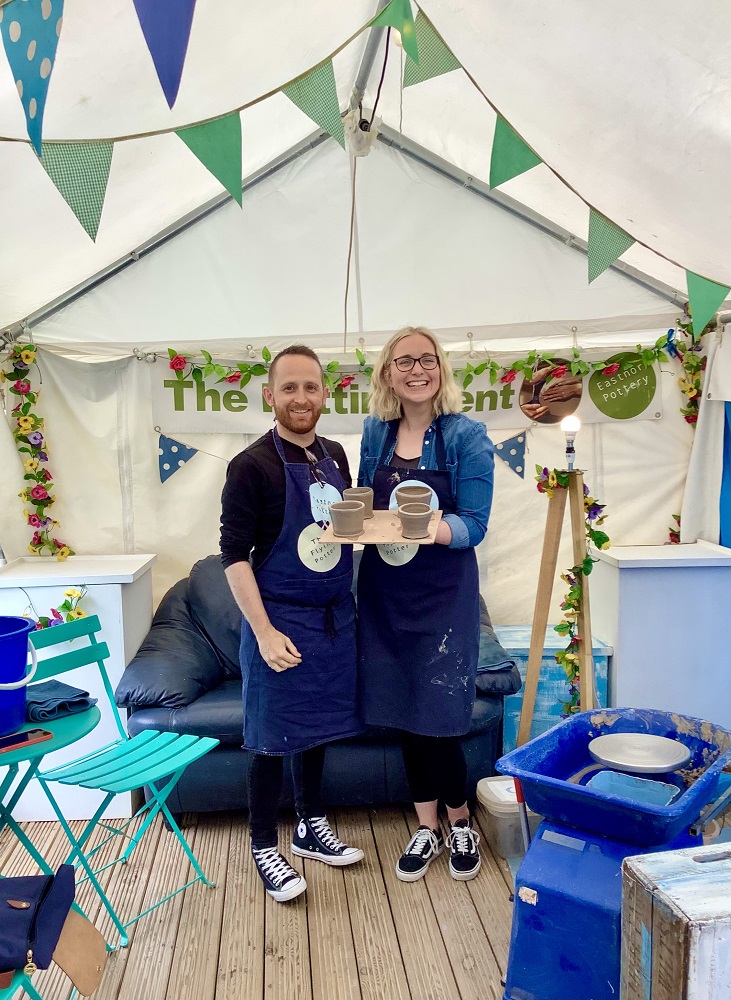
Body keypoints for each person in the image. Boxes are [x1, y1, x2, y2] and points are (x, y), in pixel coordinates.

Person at [221, 345, 364, 903]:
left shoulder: (334, 455)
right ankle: (262, 843)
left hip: (332, 620)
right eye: (289, 388)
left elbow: (341, 530)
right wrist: (262, 631)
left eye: (310, 387)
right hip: (278, 620)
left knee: (316, 727)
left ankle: (309, 825)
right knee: (269, 740)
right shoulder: (251, 466)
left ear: (325, 394)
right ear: (270, 396)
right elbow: (234, 556)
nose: (300, 398)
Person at [357, 326, 494, 882]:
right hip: (385, 593)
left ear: (441, 369)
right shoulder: (375, 432)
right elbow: (366, 500)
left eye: (427, 359)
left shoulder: (466, 436)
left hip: (442, 595)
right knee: (403, 711)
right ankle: (424, 827)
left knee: (438, 714)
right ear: (388, 373)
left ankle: (460, 821)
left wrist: (429, 528)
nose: (417, 369)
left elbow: (476, 526)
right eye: (404, 360)